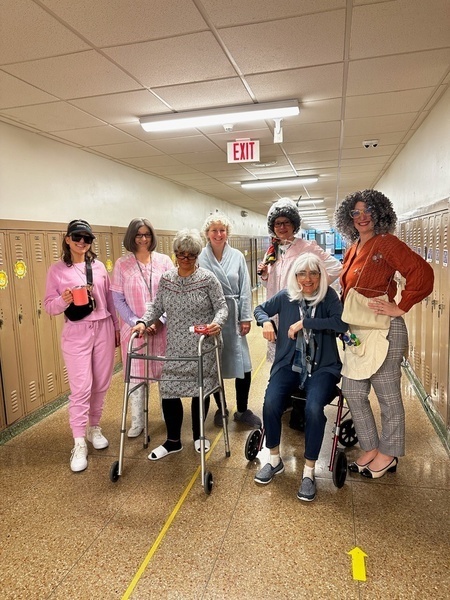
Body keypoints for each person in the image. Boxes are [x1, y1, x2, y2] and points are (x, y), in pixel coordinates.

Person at [334, 189, 434, 479]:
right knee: (353, 391)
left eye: (368, 211)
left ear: (379, 213)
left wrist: (400, 306)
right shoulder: (353, 248)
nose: (362, 217)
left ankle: (388, 454)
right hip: (357, 331)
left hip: (384, 330)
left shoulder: (386, 243)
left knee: (388, 396)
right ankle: (371, 447)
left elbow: (421, 272)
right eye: (355, 212)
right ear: (348, 219)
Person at [253, 253, 347, 501]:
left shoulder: (328, 296)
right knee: (271, 402)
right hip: (289, 364)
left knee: (314, 408)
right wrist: (266, 322)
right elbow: (259, 309)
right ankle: (274, 460)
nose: (307, 279)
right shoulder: (286, 296)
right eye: (301, 273)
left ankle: (308, 472)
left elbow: (341, 324)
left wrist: (306, 323)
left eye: (313, 273)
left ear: (320, 275)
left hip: (323, 367)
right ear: (295, 276)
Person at [132, 229, 228, 460]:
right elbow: (157, 307)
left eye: (191, 255)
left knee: (200, 390)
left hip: (202, 344)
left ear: (197, 255)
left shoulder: (207, 279)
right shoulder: (167, 279)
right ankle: (173, 441)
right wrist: (143, 322)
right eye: (181, 254)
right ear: (175, 254)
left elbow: (222, 307)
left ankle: (198, 436)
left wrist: (216, 323)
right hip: (175, 346)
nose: (185, 259)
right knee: (168, 390)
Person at [44, 219, 120, 473]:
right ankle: (78, 441)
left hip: (104, 328)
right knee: (81, 388)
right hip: (76, 331)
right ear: (67, 239)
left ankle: (93, 427)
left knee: (101, 384)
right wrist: (63, 299)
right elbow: (49, 306)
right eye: (77, 237)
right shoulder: (57, 270)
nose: (82, 242)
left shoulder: (98, 267)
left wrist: (116, 329)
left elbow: (109, 300)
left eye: (87, 238)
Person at [257, 198, 342, 361]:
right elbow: (270, 285)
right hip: (278, 309)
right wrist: (265, 275)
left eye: (286, 222)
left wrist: (312, 288)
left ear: (294, 224)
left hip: (298, 309)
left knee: (301, 355)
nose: (282, 227)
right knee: (280, 356)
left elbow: (336, 267)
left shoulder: (306, 247)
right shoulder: (272, 251)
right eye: (278, 223)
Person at [111, 218, 173, 437]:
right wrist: (137, 322)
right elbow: (117, 299)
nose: (143, 239)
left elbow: (172, 295)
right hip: (135, 331)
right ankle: (138, 421)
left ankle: (169, 416)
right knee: (136, 377)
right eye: (138, 235)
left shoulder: (164, 261)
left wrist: (159, 320)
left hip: (161, 328)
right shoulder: (122, 264)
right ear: (132, 237)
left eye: (147, 234)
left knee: (165, 374)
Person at [198, 214, 261, 429]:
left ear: (227, 233)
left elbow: (244, 288)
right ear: (207, 233)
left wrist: (245, 317)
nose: (218, 234)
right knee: (214, 365)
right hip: (211, 317)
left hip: (233, 316)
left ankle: (242, 410)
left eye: (222, 230)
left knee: (244, 364)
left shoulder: (237, 256)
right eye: (214, 230)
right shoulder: (200, 257)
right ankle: (221, 408)